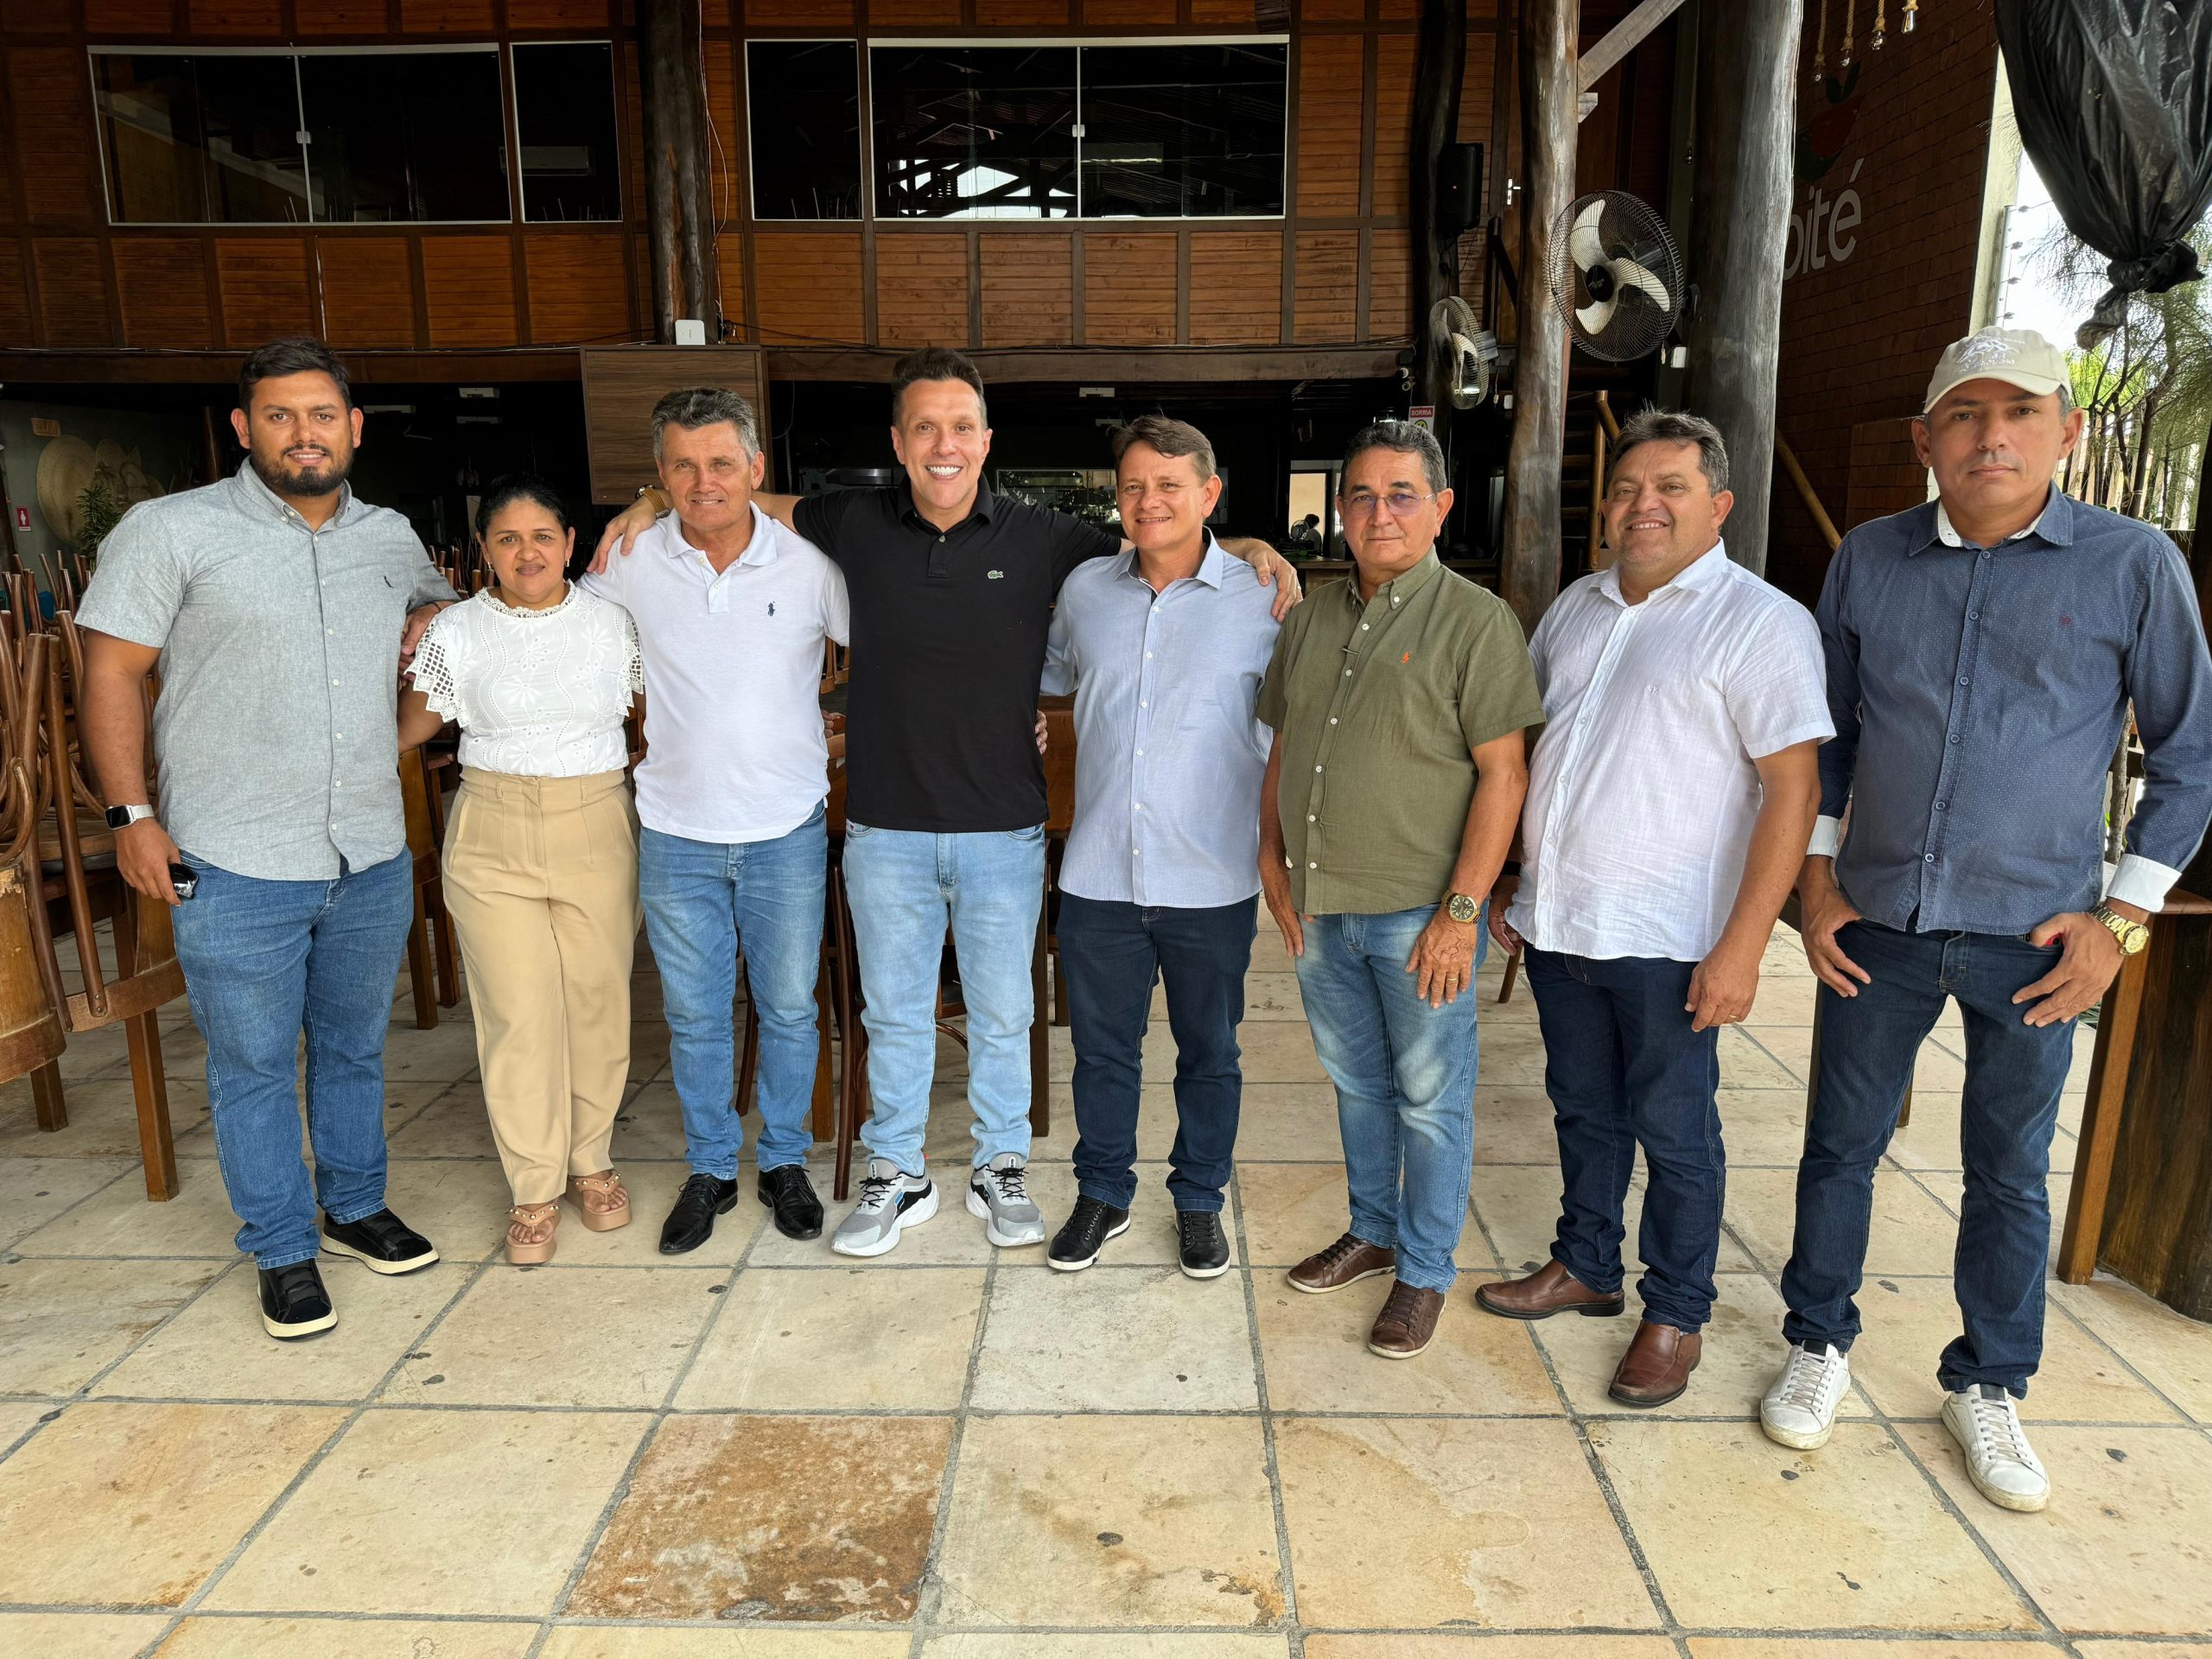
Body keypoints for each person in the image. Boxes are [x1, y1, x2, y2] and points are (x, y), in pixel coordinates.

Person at [592, 348, 1299, 1260]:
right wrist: (650, 500)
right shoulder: (849, 522)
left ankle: (1001, 1166)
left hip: (1004, 827)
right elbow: (735, 497)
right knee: (892, 1015)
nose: (943, 444)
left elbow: (1158, 540)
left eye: (961, 426)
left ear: (986, 440)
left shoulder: (1046, 537)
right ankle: (897, 1170)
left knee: (1005, 1015)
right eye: (924, 427)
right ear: (898, 442)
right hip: (884, 825)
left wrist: (1246, 546)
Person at [1760, 327, 2212, 1511]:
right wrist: (1817, 880)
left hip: (2040, 937)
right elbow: (1830, 738)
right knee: (1839, 1147)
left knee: (2009, 1171)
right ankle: (1817, 1341)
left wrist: (2123, 922)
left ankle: (1990, 1381)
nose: (1991, 436)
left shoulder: (2132, 564)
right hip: (1879, 922)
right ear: (1926, 440)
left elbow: (2189, 759)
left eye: (2019, 412)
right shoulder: (1869, 559)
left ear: (2067, 429)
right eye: (1964, 414)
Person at [77, 335, 454, 1340]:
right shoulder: (172, 529)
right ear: (245, 428)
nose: (304, 434)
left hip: (366, 849)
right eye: (280, 417)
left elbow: (443, 628)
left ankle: (354, 1206)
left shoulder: (389, 536)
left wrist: (431, 635)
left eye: (322, 415)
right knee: (250, 1065)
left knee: (353, 1048)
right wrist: (131, 816)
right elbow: (110, 672)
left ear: (353, 428)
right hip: (235, 856)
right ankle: (282, 1249)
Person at [1478, 410, 1828, 1407]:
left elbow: (1793, 792)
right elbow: (1536, 753)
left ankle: (1675, 1313)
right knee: (1582, 1109)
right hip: (1562, 921)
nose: (1644, 505)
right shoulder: (1574, 608)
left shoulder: (1760, 622)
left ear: (1717, 505)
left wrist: (1742, 948)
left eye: (1670, 487)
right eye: (1627, 488)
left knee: (1674, 1133)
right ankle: (1587, 1263)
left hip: (1672, 938)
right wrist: (1512, 878)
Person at [1257, 419, 1541, 1360]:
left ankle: (1423, 1271)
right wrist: (1270, 857)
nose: (1380, 513)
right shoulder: (1310, 619)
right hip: (1320, 908)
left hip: (1420, 914)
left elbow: (1504, 774)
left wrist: (1461, 913)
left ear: (1441, 507)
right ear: (1340, 510)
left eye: (1402, 494)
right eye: (1362, 496)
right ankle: (1372, 1231)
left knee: (1429, 1099)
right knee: (1357, 1084)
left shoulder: (1476, 621)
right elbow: (1287, 744)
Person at [580, 389, 849, 1255]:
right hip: (675, 831)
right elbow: (562, 635)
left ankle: (783, 1161)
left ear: (756, 468)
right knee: (695, 1017)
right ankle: (708, 1168)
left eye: (722, 463)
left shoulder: (809, 563)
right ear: (660, 475)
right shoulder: (630, 557)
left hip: (785, 828)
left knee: (789, 1009)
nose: (705, 482)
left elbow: (893, 652)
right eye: (683, 467)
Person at [1039, 416, 1281, 1278]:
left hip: (1210, 875)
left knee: (1209, 1054)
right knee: (1102, 1053)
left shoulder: (1264, 599)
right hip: (1100, 870)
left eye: (1169, 485)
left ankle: (1199, 1199)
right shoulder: (1085, 592)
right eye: (1134, 486)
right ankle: (1103, 1192)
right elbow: (1047, 677)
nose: (1149, 501)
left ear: (1209, 494)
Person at [398, 477, 645, 1264]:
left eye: (543, 536)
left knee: (597, 1002)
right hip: (492, 827)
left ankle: (591, 1161)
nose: (527, 552)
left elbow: (656, 714)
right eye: (507, 538)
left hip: (596, 818)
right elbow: (409, 728)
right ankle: (534, 1185)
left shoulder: (614, 621)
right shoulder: (456, 630)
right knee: (515, 1011)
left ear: (570, 544)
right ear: (485, 550)